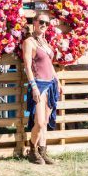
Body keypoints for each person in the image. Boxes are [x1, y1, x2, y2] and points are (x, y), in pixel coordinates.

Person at [23, 12, 63, 165]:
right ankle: (32, 150)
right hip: (38, 84)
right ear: (34, 22)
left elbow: (50, 65)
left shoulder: (45, 42)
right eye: (41, 22)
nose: (44, 25)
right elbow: (27, 66)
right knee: (39, 122)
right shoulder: (29, 42)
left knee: (45, 121)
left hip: (51, 83)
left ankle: (43, 151)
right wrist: (33, 87)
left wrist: (57, 81)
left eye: (47, 23)